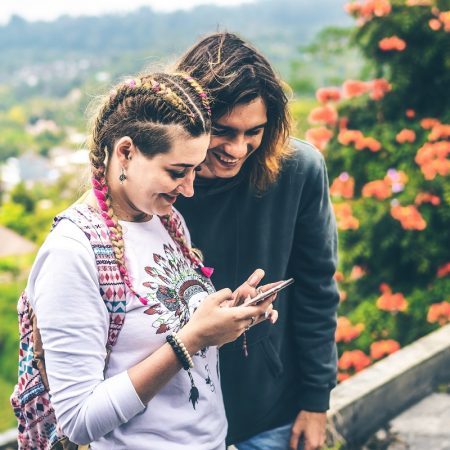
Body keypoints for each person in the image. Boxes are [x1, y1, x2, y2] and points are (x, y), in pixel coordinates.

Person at [14, 72, 278, 450]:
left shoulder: (167, 220)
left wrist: (229, 318)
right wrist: (193, 337)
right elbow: (78, 421)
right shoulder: (72, 253)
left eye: (195, 168)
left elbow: (170, 330)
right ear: (125, 152)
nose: (188, 188)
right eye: (177, 172)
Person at [175, 32, 340, 450]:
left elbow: (317, 289)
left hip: (269, 410)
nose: (237, 148)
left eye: (255, 132)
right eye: (222, 131)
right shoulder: (159, 186)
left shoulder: (298, 170)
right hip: (175, 418)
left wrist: (316, 401)